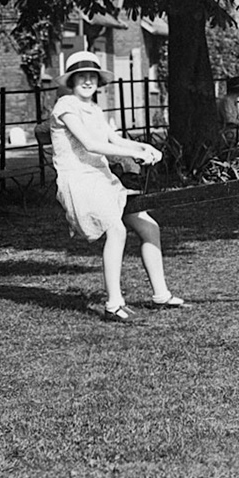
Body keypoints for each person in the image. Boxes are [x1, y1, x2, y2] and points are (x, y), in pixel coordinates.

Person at [50, 51, 185, 321]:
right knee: (117, 229)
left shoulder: (94, 109)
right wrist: (133, 155)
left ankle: (161, 295)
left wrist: (143, 146)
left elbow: (112, 138)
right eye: (81, 77)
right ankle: (113, 304)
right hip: (78, 180)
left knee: (149, 226)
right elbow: (89, 143)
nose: (87, 82)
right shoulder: (66, 105)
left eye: (92, 77)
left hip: (101, 177)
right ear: (72, 80)